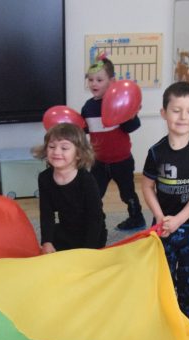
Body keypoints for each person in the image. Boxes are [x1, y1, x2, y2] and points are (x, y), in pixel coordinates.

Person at [141, 81, 189, 316]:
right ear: (164, 113)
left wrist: (179, 220)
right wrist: (160, 217)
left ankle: (185, 317)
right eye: (176, 110)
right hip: (163, 228)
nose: (183, 117)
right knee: (161, 278)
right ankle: (165, 316)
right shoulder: (156, 151)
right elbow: (147, 186)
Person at [81, 54, 146, 231]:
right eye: (90, 80)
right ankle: (97, 220)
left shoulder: (119, 103)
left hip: (122, 161)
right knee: (94, 194)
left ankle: (137, 218)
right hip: (99, 162)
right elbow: (84, 130)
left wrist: (131, 114)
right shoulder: (88, 107)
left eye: (99, 80)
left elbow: (132, 127)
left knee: (127, 193)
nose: (94, 84)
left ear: (112, 81)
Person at [33, 123, 105, 253]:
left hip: (91, 233)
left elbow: (96, 218)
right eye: (52, 146)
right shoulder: (44, 178)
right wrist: (47, 242)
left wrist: (88, 250)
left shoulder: (86, 180)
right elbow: (46, 214)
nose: (56, 152)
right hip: (66, 230)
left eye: (64, 148)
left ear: (78, 154)